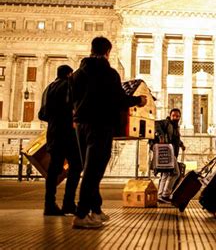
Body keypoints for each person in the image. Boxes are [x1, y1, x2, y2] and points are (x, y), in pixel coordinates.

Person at [70, 37, 147, 228]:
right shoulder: (108, 73)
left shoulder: (77, 74)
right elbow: (119, 99)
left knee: (89, 168)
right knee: (93, 171)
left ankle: (95, 210)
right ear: (108, 52)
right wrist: (138, 100)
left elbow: (70, 99)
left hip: (81, 125)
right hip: (101, 125)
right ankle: (81, 215)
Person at [39, 65, 82, 216]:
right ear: (69, 74)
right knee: (77, 165)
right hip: (67, 132)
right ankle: (68, 203)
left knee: (53, 169)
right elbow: (73, 107)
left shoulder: (48, 88)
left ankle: (49, 204)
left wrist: (54, 119)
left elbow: (41, 115)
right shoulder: (68, 85)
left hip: (52, 132)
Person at [153, 108, 186, 203]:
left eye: (178, 116)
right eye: (174, 116)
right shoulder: (167, 123)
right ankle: (165, 195)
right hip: (168, 153)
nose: (176, 117)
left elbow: (175, 139)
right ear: (170, 116)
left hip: (172, 153)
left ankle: (160, 195)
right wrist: (161, 136)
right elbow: (155, 124)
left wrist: (181, 144)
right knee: (176, 173)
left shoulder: (175, 127)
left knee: (166, 173)